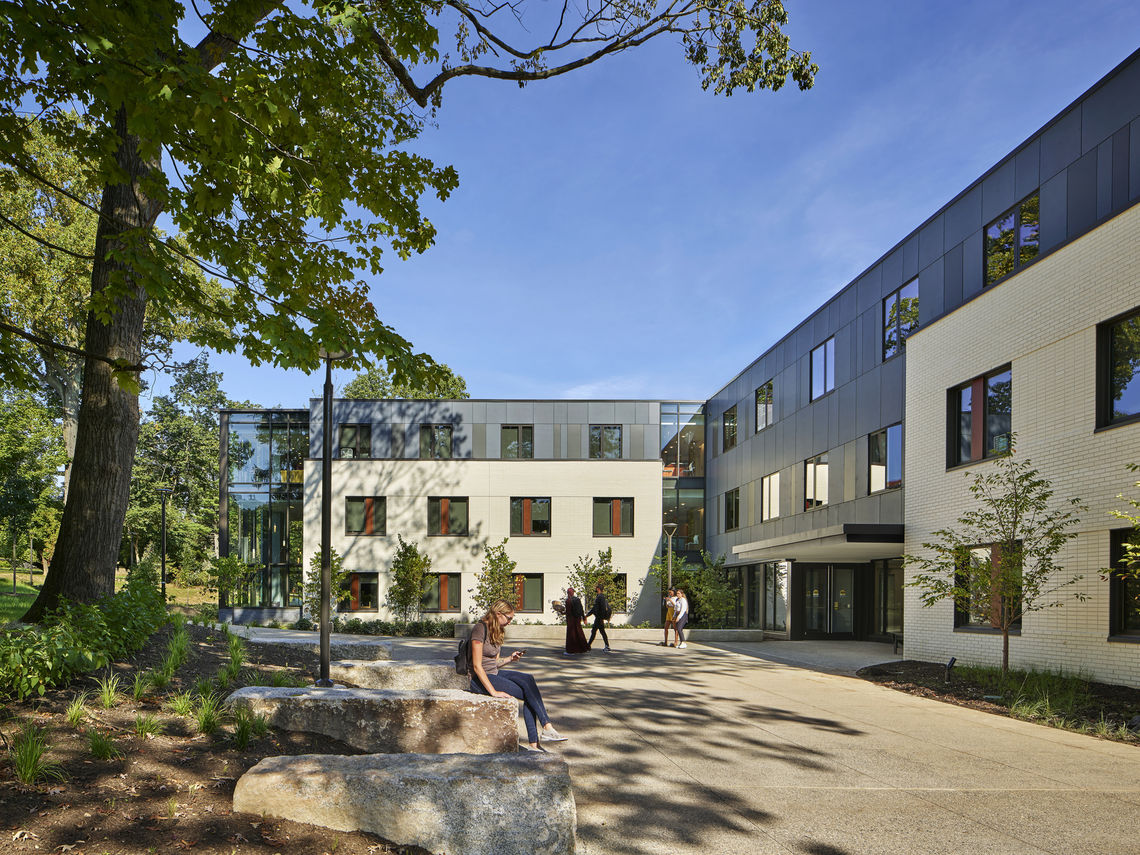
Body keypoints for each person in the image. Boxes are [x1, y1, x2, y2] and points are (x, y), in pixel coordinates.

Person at [467, 599, 567, 749]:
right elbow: (476, 666)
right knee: (528, 693)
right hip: (479, 679)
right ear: (498, 614)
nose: (509, 622)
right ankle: (539, 737)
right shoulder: (479, 629)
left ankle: (543, 732)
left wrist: (510, 659)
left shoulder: (498, 630)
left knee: (528, 679)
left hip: (493, 673)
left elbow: (493, 663)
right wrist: (493, 692)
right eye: (509, 618)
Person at [585, 583, 611, 652]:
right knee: (598, 631)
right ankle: (589, 646)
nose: (595, 589)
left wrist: (601, 618)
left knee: (597, 632)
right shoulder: (599, 597)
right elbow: (594, 609)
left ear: (598, 589)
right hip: (599, 618)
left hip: (599, 618)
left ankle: (588, 646)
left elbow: (601, 608)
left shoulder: (600, 597)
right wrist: (587, 615)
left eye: (596, 588)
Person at [563, 587, 589, 655]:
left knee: (571, 635)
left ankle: (571, 651)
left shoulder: (568, 601)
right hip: (577, 619)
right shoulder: (577, 599)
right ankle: (583, 648)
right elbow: (581, 609)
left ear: (568, 593)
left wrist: (562, 612)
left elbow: (568, 612)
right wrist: (584, 618)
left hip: (571, 620)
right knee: (579, 633)